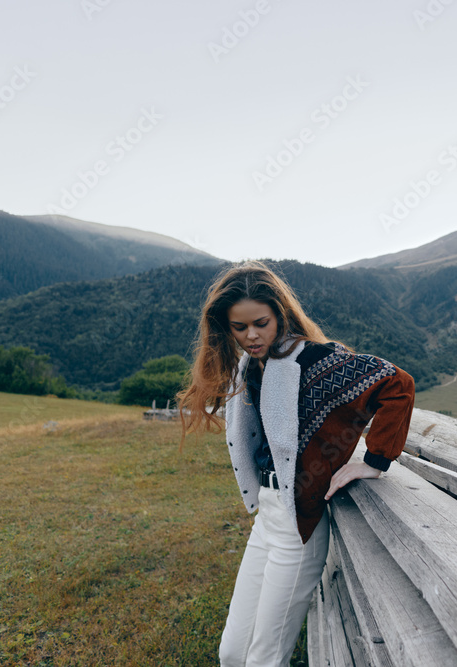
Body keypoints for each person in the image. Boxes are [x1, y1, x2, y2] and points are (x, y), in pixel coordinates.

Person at [176, 259, 416, 667]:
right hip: (266, 518)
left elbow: (398, 384)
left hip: (297, 526)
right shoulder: (249, 365)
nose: (251, 335)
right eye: (240, 327)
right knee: (232, 653)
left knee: (265, 659)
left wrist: (375, 461)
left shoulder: (316, 360)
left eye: (261, 323)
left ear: (280, 314)